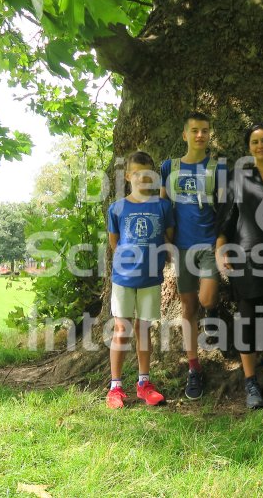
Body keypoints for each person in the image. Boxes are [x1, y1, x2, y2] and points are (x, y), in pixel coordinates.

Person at [215, 123, 263, 409]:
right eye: (255, 142)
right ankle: (250, 384)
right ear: (249, 148)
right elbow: (227, 218)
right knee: (246, 323)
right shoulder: (238, 179)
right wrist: (220, 248)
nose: (260, 146)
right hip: (245, 259)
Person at [160, 111, 227, 400]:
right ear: (185, 135)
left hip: (208, 245)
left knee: (206, 299)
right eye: (195, 130)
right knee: (188, 308)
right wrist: (165, 242)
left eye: (205, 130)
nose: (201, 135)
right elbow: (163, 206)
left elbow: (225, 210)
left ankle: (212, 313)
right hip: (182, 248)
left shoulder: (217, 168)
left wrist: (222, 242)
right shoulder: (169, 166)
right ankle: (194, 368)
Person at [106, 151, 175, 409]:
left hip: (150, 277)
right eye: (136, 174)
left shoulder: (163, 206)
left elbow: (167, 238)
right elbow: (115, 244)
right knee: (121, 330)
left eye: (147, 174)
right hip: (123, 278)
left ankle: (144, 383)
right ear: (127, 176)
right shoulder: (118, 207)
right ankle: (115, 387)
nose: (142, 179)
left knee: (143, 330)